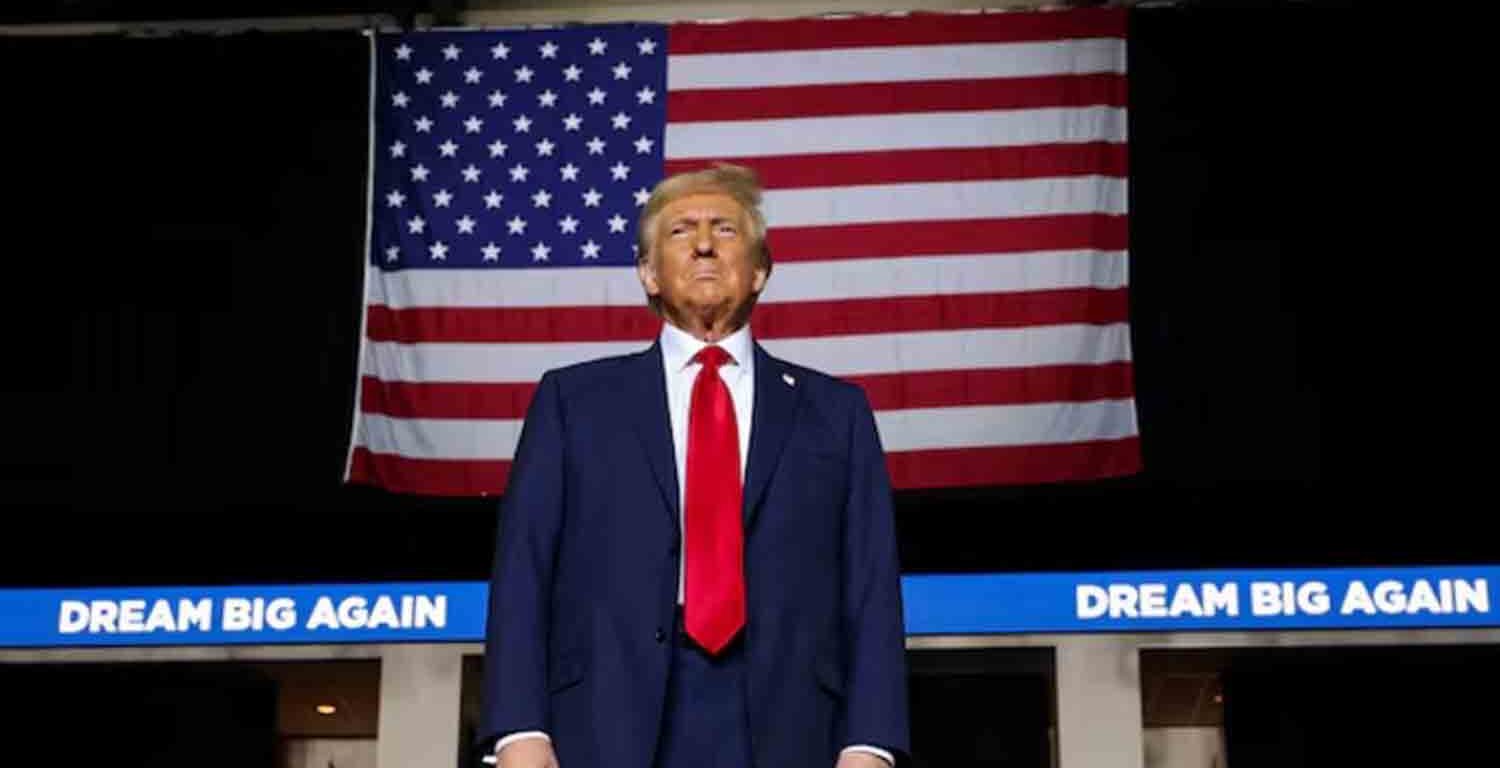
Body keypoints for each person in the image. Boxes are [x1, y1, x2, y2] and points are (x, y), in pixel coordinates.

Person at [479, 164, 909, 768]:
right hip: (604, 720)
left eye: (725, 229)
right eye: (681, 230)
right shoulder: (572, 403)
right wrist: (518, 729)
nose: (705, 242)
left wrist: (870, 744)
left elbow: (871, 587)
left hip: (790, 724)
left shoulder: (836, 414)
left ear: (760, 269)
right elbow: (523, 570)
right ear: (648, 274)